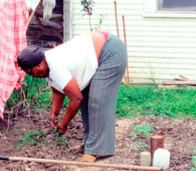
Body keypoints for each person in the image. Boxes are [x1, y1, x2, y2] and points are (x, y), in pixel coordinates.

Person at [17, 30, 128, 163]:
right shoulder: (48, 65)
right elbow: (58, 89)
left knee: (97, 100)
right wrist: (55, 113)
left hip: (110, 52)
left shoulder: (55, 65)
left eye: (30, 71)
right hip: (100, 50)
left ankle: (96, 150)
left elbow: (76, 99)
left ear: (39, 64)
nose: (32, 75)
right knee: (87, 99)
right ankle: (89, 145)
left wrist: (64, 123)